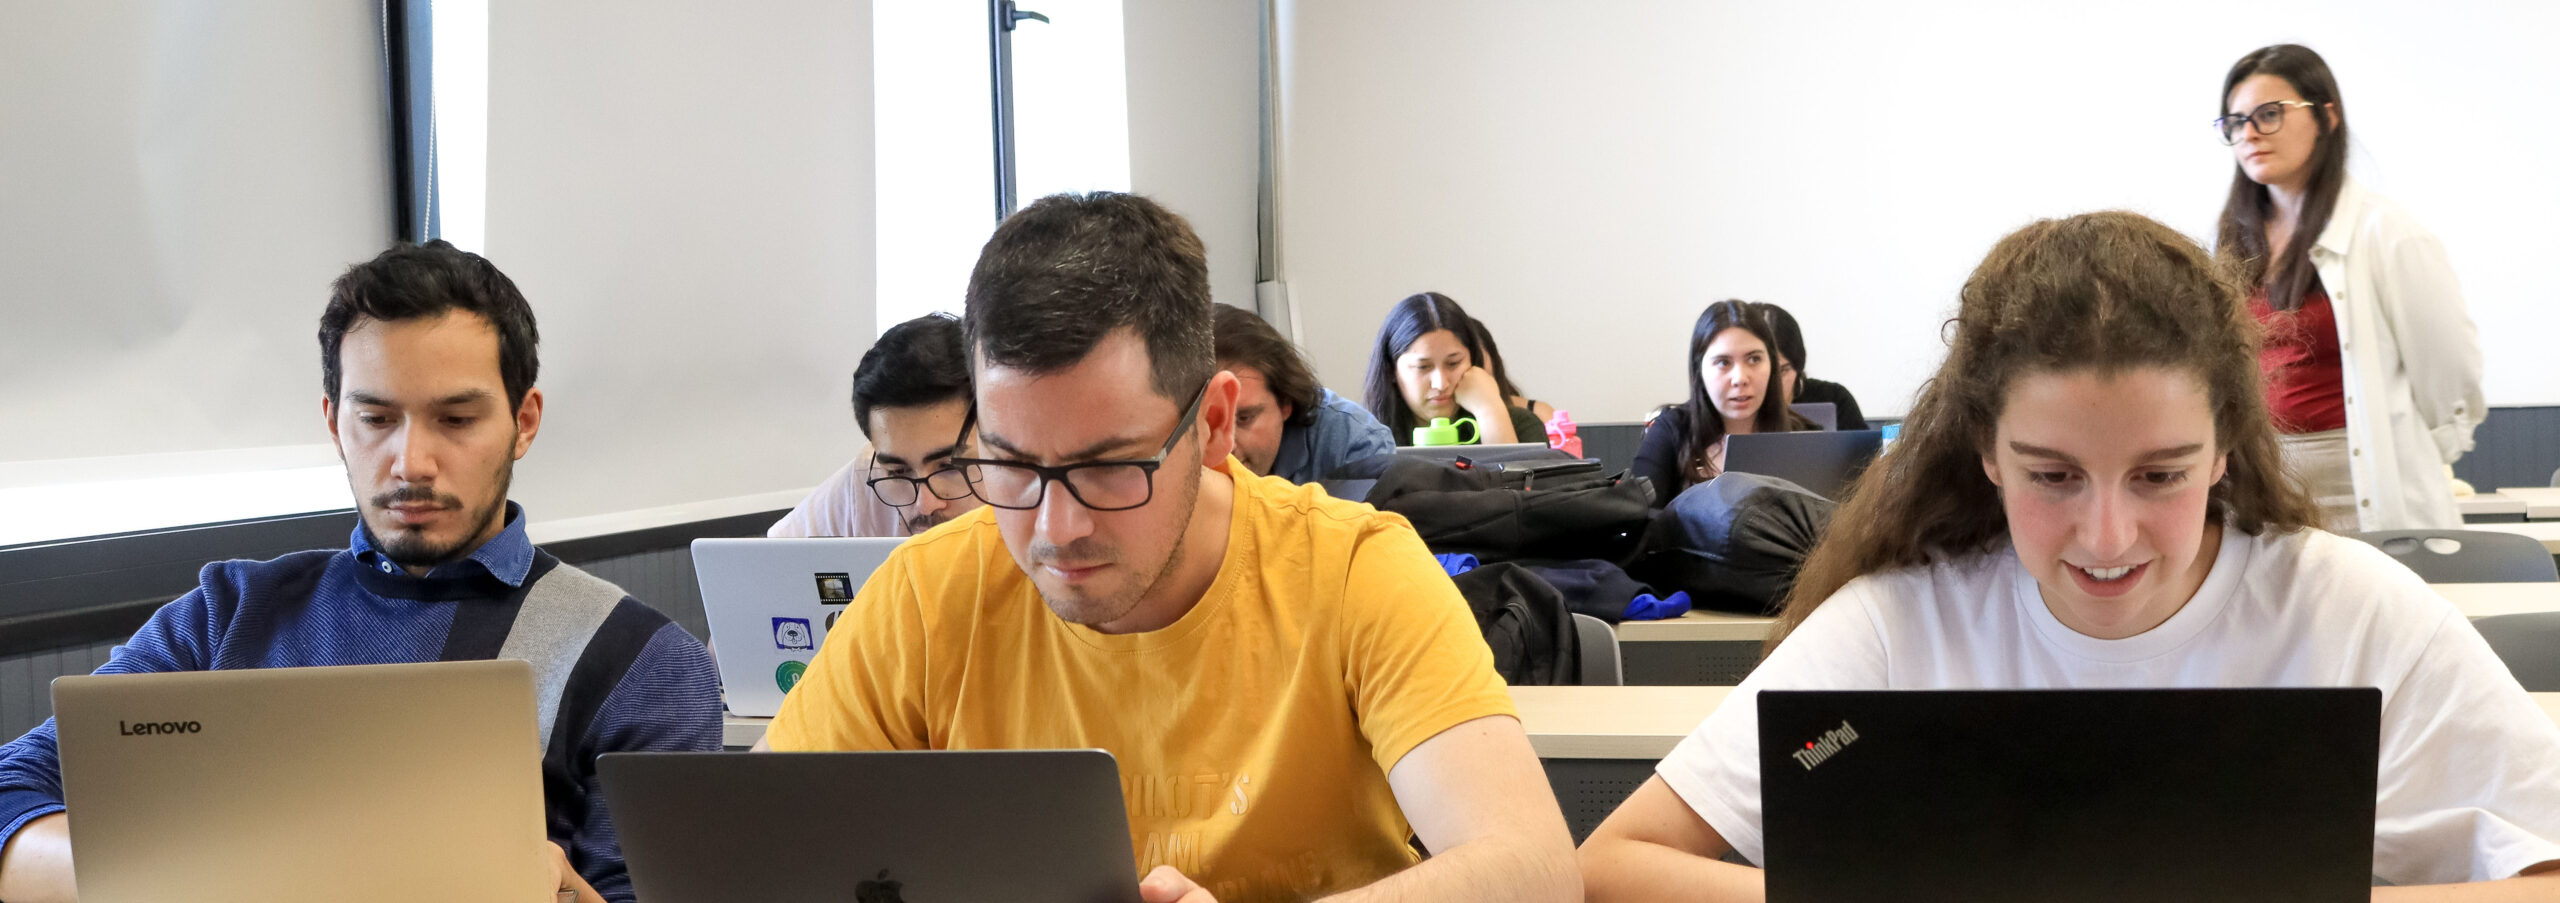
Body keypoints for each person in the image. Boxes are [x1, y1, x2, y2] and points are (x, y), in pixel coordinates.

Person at [1576, 212, 2560, 900]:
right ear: (1985, 454)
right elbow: (1615, 867)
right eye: (2051, 477)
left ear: (2223, 448)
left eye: (2159, 476)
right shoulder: (1900, 626)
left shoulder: (2353, 615)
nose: (2105, 538)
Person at [756, 193, 1578, 903]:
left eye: (1110, 467)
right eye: (1008, 465)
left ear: (1215, 424)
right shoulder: (926, 593)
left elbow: (1534, 868)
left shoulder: (1354, 568)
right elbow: (748, 849)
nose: (1055, 528)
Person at [0, 241, 722, 903]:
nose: (410, 461)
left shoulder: (644, 662)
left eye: (456, 419)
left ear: (524, 421)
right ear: (332, 420)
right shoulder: (227, 615)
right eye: (376, 419)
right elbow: (15, 788)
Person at [2212, 44, 2483, 532]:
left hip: (2359, 488)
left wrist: (2423, 452)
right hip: (2263, 487)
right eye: (2235, 122)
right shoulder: (2235, 238)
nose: (2249, 133)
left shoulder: (2387, 232)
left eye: (2269, 115)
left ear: (2326, 117)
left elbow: (2449, 365)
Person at [769, 313, 985, 537]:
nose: (925, 505)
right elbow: (776, 559)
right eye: (898, 472)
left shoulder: (1022, 498)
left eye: (949, 467)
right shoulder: (868, 476)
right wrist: (834, 574)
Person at [1629, 300, 1809, 506]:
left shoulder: (1803, 434)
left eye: (1754, 359)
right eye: (1723, 362)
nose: (1740, 378)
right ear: (1700, 370)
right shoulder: (1670, 431)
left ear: (1772, 365)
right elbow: (1637, 517)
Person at [1210, 303, 1396, 483]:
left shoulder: (1354, 441)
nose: (1227, 447)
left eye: (1243, 419)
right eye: (1208, 422)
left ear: (1285, 403)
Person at [1364, 292, 1545, 447]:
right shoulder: (1364, 438)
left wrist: (1489, 411)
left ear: (1472, 361)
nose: (1441, 383)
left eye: (1453, 363)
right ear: (1391, 371)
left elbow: (1517, 485)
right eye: (1422, 367)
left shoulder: (1521, 425)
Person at [1750, 302, 1868, 430]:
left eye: (1782, 371)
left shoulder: (1834, 399)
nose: (1773, 384)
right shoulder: (1733, 409)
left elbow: (1865, 450)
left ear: (1798, 365)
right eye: (1762, 371)